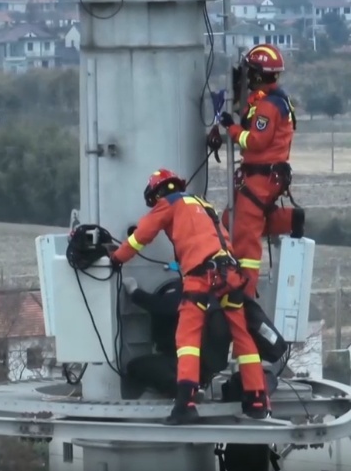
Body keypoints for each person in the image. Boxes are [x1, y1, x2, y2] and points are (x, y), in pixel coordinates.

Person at [109, 168, 269, 425]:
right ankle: (258, 400)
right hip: (230, 274)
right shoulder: (204, 204)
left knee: (187, 339)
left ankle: (185, 403)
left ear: (158, 192)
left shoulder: (169, 203)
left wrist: (116, 258)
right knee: (242, 336)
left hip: (202, 275)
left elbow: (141, 236)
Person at [207, 43, 305, 299]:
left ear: (259, 75)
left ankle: (243, 294)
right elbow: (252, 114)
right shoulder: (269, 100)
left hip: (261, 178)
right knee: (228, 223)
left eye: (250, 72)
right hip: (257, 176)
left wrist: (232, 128)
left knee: (246, 237)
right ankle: (288, 219)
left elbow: (256, 141)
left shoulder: (270, 106)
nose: (248, 76)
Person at [123, 277, 231, 398]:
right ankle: (190, 389)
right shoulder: (212, 295)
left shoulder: (187, 289)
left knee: (135, 367)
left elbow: (163, 305)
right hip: (206, 366)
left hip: (186, 362)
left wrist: (134, 292)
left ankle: (184, 392)